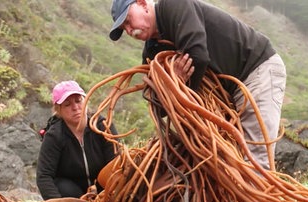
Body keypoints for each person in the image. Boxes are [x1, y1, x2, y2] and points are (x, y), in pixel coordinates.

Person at [108, 0, 286, 171]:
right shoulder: (152, 50)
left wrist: (176, 86)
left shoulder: (174, 5)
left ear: (142, 3)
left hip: (255, 71)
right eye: (125, 29)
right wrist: (174, 84)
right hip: (229, 92)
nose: (130, 30)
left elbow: (197, 55)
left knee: (255, 160)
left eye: (128, 21)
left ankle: (262, 200)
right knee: (228, 161)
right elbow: (155, 102)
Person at [36, 80, 118, 201]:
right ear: (59, 110)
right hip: (72, 193)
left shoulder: (102, 126)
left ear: (86, 101)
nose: (75, 107)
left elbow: (116, 162)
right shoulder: (54, 136)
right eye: (67, 104)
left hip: (103, 188)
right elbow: (44, 176)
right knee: (62, 186)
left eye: (79, 101)